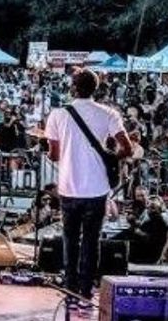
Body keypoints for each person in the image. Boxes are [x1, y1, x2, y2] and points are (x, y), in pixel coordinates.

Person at [44, 69, 131, 305]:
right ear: (97, 88)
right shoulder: (109, 114)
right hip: (97, 188)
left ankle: (70, 288)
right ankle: (86, 291)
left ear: (73, 87)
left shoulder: (58, 115)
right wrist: (111, 155)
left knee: (70, 239)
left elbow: (53, 154)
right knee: (91, 241)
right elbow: (127, 148)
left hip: (69, 186)